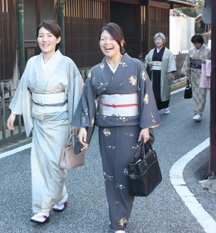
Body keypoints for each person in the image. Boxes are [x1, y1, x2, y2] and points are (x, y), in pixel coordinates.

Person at [71, 22, 160, 233]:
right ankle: (117, 220)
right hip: (108, 131)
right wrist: (83, 127)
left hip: (131, 130)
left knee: (126, 174)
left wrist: (146, 126)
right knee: (111, 175)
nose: (107, 43)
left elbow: (146, 95)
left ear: (121, 42)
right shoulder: (96, 72)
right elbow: (88, 102)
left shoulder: (136, 66)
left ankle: (120, 220)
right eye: (103, 39)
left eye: (111, 39)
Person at [7, 20, 83, 223]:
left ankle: (53, 200)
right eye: (41, 35)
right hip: (39, 121)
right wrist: (14, 112)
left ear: (58, 39)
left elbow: (77, 94)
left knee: (55, 164)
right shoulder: (32, 63)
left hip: (59, 122)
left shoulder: (67, 64)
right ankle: (44, 206)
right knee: (39, 165)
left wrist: (78, 126)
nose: (44, 40)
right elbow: (23, 88)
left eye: (50, 36)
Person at [181, 34, 211, 122]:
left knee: (201, 94)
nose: (196, 45)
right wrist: (187, 75)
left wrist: (206, 61)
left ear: (201, 43)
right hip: (193, 73)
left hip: (203, 74)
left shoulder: (208, 51)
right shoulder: (191, 51)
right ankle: (196, 112)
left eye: (197, 43)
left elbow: (212, 62)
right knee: (195, 94)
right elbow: (187, 63)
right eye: (194, 43)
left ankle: (199, 112)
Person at [145, 32, 176, 114]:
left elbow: (171, 62)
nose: (157, 41)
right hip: (154, 74)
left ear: (163, 41)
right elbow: (147, 60)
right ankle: (154, 107)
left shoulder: (168, 52)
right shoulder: (151, 52)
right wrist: (149, 64)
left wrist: (171, 71)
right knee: (153, 91)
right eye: (156, 40)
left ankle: (166, 106)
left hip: (163, 75)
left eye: (159, 39)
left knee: (164, 90)